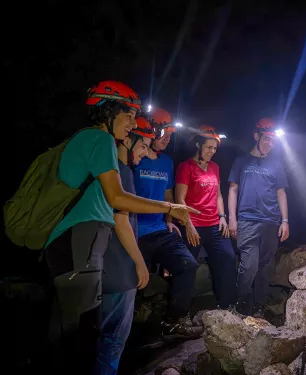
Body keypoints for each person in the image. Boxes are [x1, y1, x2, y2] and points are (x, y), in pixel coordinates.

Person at [44, 80, 198, 373]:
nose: (132, 123)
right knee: (82, 338)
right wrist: (170, 208)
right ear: (107, 111)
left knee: (76, 334)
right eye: (127, 115)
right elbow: (118, 200)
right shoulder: (99, 140)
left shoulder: (86, 140)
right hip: (80, 239)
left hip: (78, 241)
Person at [134, 107, 203, 341]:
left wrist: (169, 221)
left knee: (188, 265)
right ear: (150, 130)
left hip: (159, 229)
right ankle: (131, 327)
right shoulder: (135, 157)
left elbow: (168, 197)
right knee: (135, 279)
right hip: (134, 231)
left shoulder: (166, 162)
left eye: (171, 135)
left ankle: (173, 321)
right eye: (163, 133)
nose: (167, 139)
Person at [95, 116, 154, 374]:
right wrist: (140, 263)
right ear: (127, 141)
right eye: (143, 146)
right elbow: (122, 221)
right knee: (113, 338)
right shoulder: (123, 172)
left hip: (99, 266)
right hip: (119, 270)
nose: (147, 152)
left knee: (96, 336)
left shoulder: (104, 168)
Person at [228, 117, 290, 317]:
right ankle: (241, 300)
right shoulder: (241, 162)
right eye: (266, 139)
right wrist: (232, 219)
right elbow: (233, 190)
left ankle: (260, 305)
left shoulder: (276, 164)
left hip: (271, 222)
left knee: (265, 265)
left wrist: (285, 221)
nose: (270, 144)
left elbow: (281, 193)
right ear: (256, 136)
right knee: (250, 264)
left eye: (273, 141)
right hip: (247, 220)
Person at [175, 125, 236, 310]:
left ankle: (225, 307)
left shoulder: (215, 167)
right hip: (193, 225)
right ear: (198, 145)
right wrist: (188, 225)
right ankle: (179, 314)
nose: (212, 151)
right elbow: (180, 199)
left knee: (228, 257)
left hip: (213, 224)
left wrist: (223, 216)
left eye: (215, 148)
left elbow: (218, 195)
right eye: (209, 147)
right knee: (187, 267)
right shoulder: (186, 167)